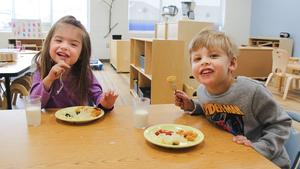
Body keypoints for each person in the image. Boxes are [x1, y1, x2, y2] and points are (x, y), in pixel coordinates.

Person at [174, 29, 292, 169]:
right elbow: (210, 105)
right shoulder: (201, 91)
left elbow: (281, 123)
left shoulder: (252, 91)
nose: (204, 62)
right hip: (231, 156)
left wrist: (259, 148)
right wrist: (192, 105)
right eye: (197, 59)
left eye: (213, 56)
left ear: (232, 63)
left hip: (265, 160)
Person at [30, 15, 118, 112]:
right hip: (52, 124)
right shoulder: (41, 69)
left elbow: (97, 96)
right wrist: (49, 79)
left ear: (81, 53)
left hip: (80, 122)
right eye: (59, 40)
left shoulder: (84, 72)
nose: (64, 46)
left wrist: (106, 103)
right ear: (49, 43)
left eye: (73, 44)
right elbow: (34, 104)